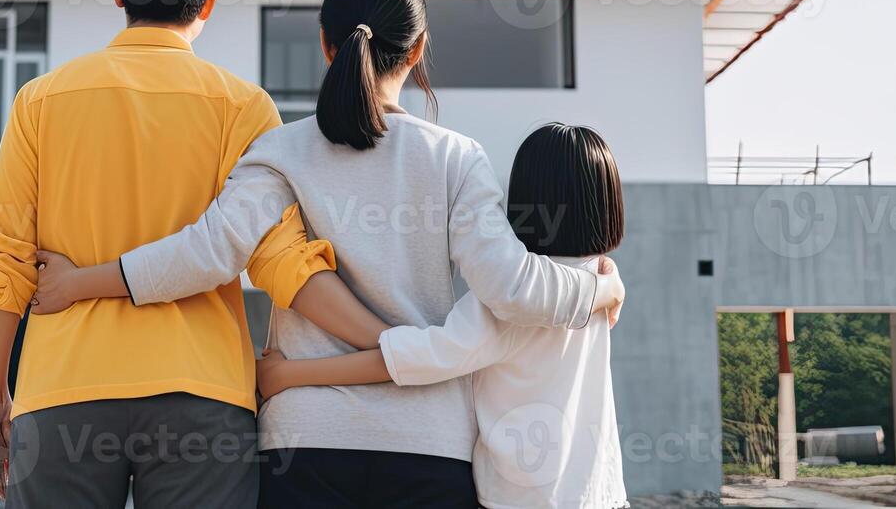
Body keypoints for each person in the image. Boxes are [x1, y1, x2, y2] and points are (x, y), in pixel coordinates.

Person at [32, 0, 626, 508]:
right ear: (418, 49)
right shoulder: (456, 157)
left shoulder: (280, 150)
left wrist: (79, 283)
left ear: (325, 44)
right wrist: (599, 289)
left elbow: (208, 252)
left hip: (304, 442)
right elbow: (511, 288)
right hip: (427, 445)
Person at [0, 0, 332, 508]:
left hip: (64, 394)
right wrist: (383, 341)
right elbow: (280, 263)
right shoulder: (244, 107)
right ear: (209, 0)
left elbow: (5, 261)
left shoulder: (40, 102)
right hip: (204, 399)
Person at [256, 123, 629, 509]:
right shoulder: (599, 280)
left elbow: (418, 357)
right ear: (609, 204)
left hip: (522, 497)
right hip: (600, 491)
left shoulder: (508, 306)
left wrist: (290, 374)